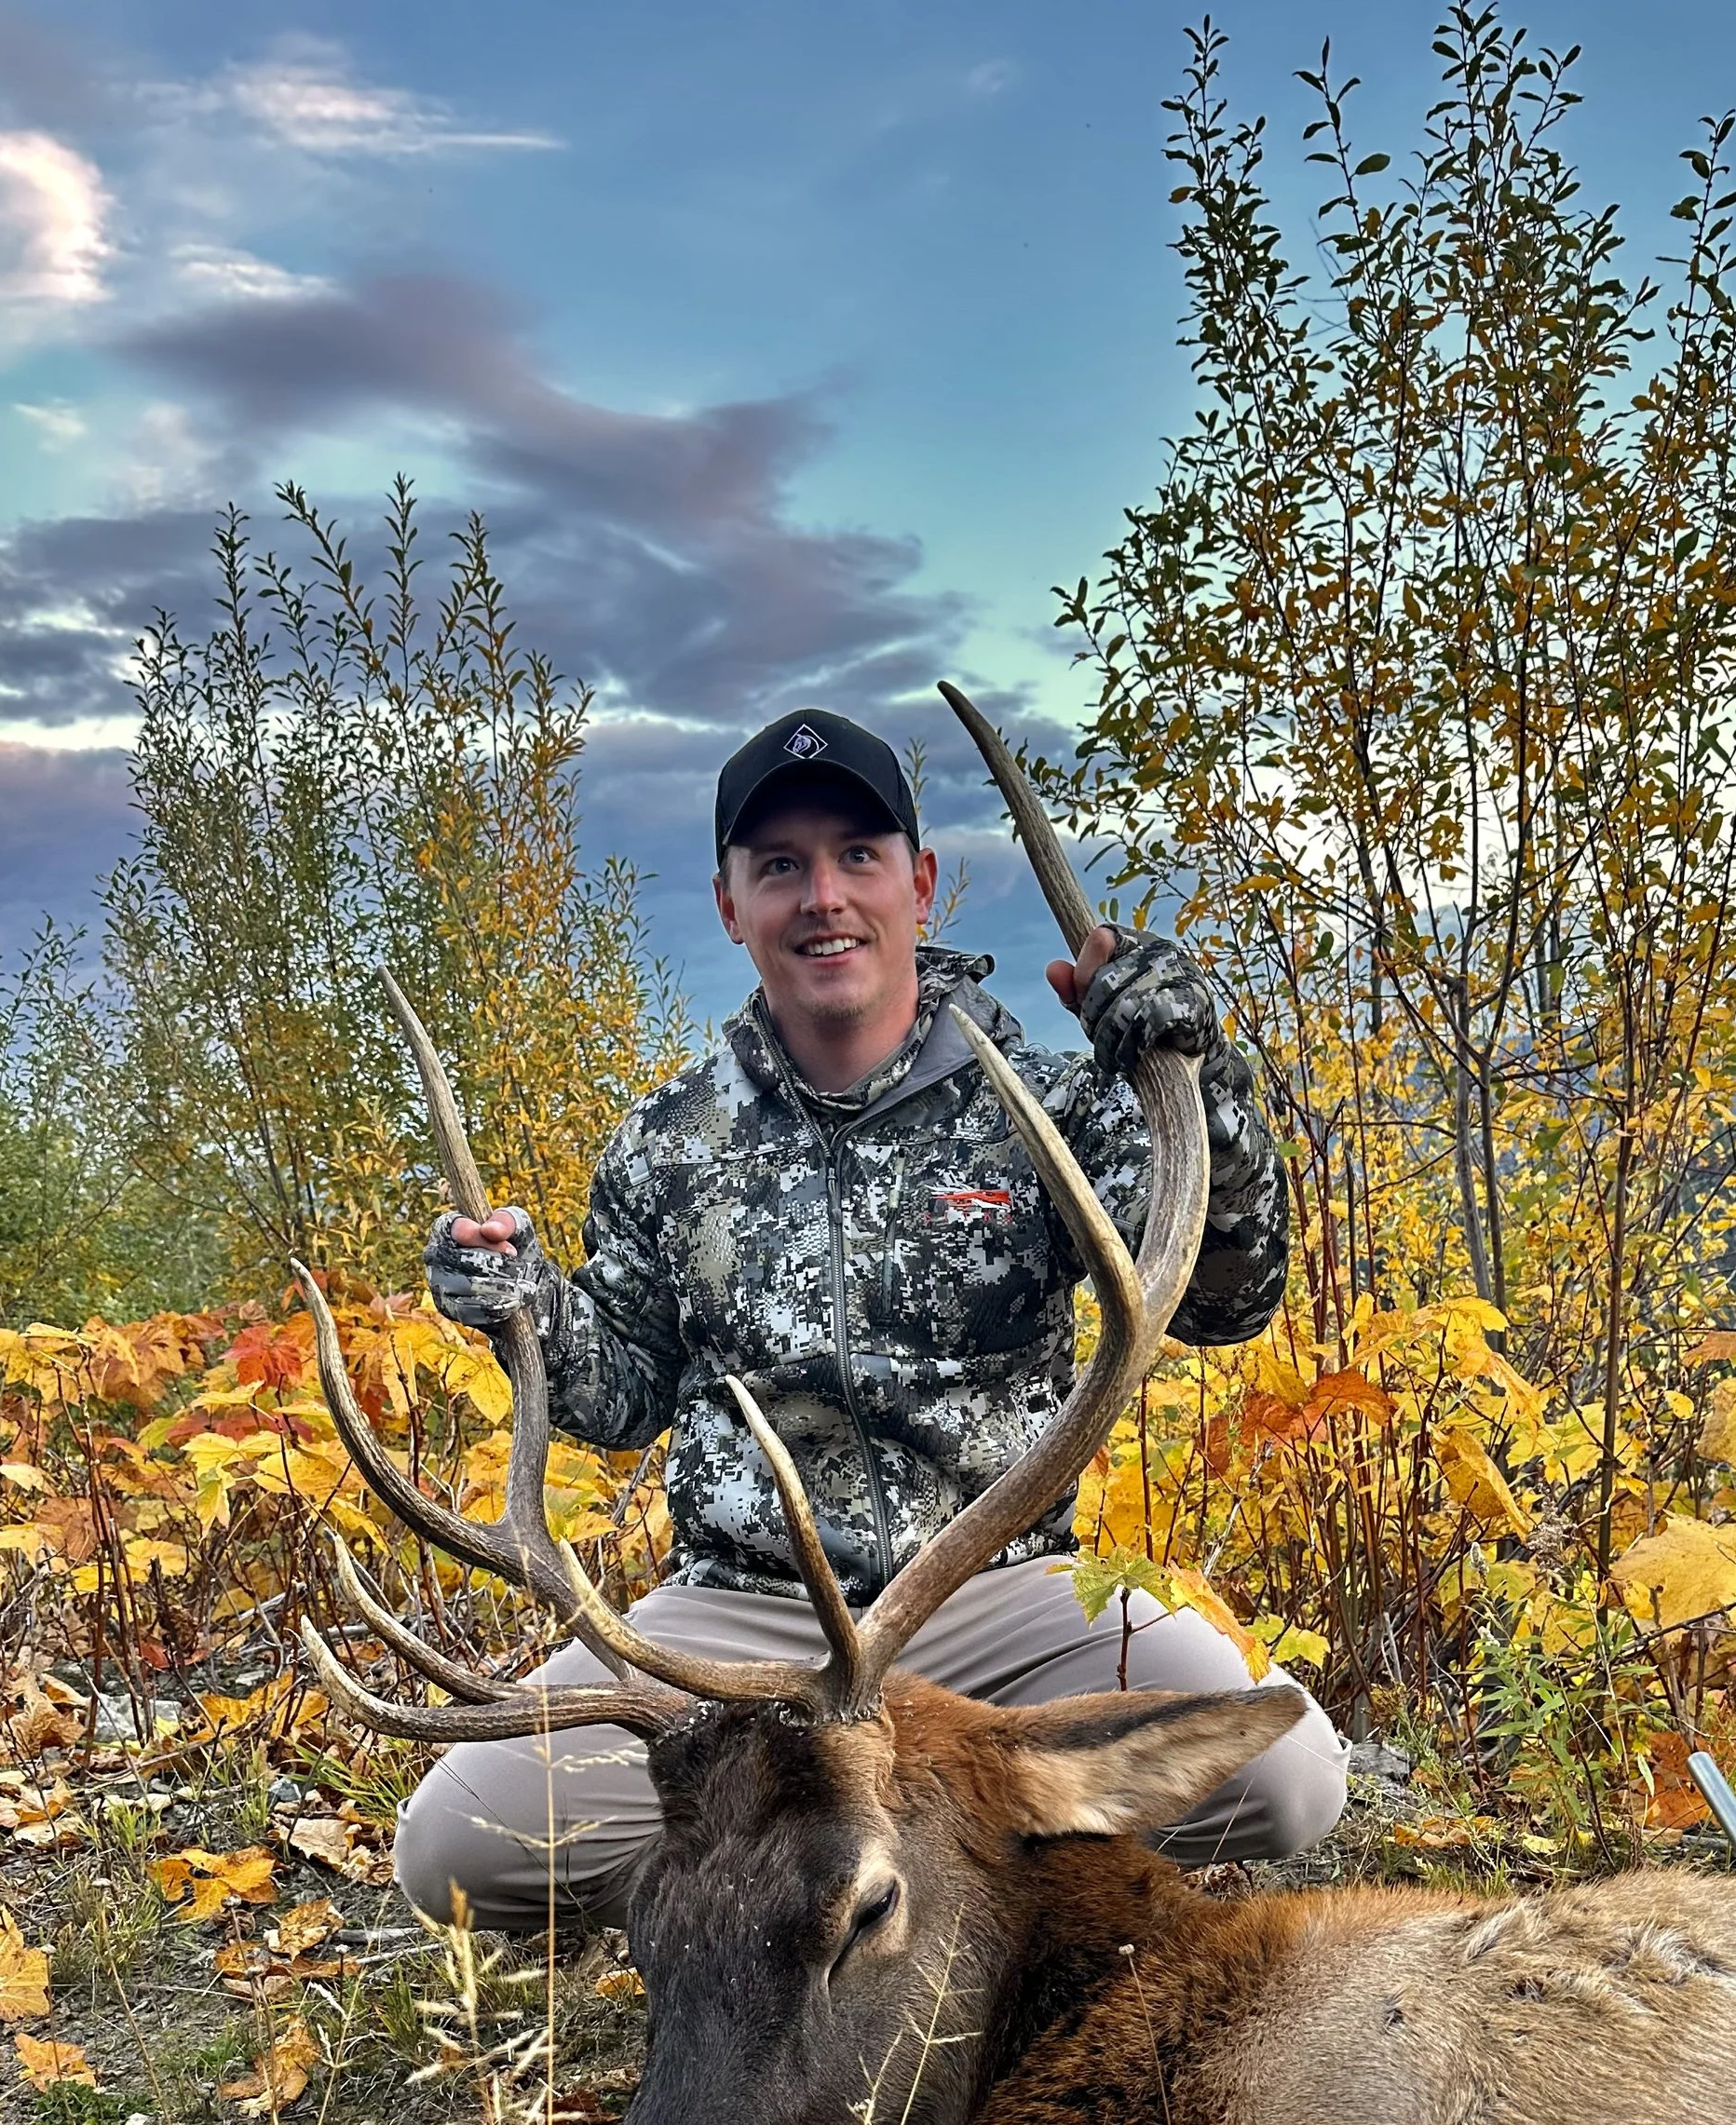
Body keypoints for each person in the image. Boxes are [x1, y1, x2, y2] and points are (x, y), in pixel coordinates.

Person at [397, 705, 1346, 1930]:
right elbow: (621, 1392)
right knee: (456, 1853)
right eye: (779, 866)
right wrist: (530, 1312)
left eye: (858, 856)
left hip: (998, 1606)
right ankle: (845, 1856)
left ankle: (835, 1852)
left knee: (1286, 1778)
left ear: (922, 882)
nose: (823, 897)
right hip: (738, 1631)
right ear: (733, 904)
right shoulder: (669, 1140)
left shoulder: (1051, 1111)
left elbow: (1229, 1297)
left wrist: (1193, 1074)